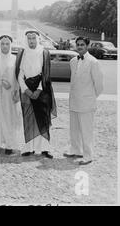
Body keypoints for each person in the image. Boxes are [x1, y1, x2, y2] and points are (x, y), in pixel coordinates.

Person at [15, 30, 56, 159]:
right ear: (26, 40)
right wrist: (26, 90)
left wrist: (38, 90)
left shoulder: (44, 53)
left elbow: (46, 73)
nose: (31, 41)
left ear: (37, 39)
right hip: (26, 89)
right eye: (29, 39)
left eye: (33, 38)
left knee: (43, 118)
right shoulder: (22, 53)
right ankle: (29, 148)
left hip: (42, 90)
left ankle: (45, 148)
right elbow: (20, 74)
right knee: (29, 119)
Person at [64, 37, 103, 165]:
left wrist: (90, 97)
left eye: (82, 44)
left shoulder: (93, 62)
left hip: (86, 102)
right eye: (78, 44)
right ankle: (75, 150)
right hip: (74, 101)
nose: (80, 46)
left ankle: (88, 156)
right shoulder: (73, 61)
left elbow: (99, 85)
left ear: (87, 46)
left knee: (86, 130)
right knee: (74, 129)